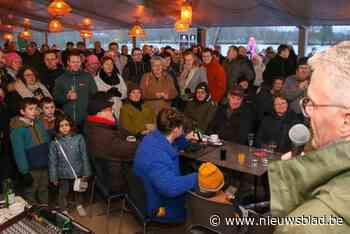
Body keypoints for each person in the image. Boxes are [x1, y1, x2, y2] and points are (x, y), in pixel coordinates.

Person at [269, 41, 350, 234]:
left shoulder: (304, 226)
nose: (308, 112)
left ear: (346, 122)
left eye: (312, 103)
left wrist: (295, 195)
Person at [133, 108, 198, 223]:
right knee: (198, 207)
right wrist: (198, 177)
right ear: (176, 130)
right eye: (182, 128)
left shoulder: (152, 137)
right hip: (159, 207)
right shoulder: (156, 158)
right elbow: (171, 188)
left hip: (148, 192)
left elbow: (172, 141)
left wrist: (184, 141)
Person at [85, 92, 138, 192]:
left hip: (114, 172)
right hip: (116, 181)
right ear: (99, 113)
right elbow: (126, 149)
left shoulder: (98, 125)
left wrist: (131, 137)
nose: (112, 111)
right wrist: (141, 143)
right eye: (109, 110)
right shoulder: (101, 133)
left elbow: (123, 132)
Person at [48, 115, 91, 216]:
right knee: (63, 192)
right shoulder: (54, 143)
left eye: (66, 125)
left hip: (78, 170)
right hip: (63, 173)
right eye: (61, 125)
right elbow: (52, 161)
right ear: (57, 128)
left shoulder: (79, 138)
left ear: (71, 125)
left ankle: (79, 205)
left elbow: (84, 155)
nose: (64, 127)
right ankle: (63, 209)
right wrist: (53, 177)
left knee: (78, 190)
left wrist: (86, 171)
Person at [10, 97, 50, 205]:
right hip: (31, 168)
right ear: (22, 111)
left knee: (44, 188)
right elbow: (19, 153)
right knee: (31, 191)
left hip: (44, 164)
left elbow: (47, 142)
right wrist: (24, 171)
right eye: (30, 109)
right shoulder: (17, 130)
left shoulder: (39, 123)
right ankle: (33, 215)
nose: (34, 111)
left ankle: (45, 211)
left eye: (36, 108)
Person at [54, 50, 97, 129]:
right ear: (68, 62)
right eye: (73, 62)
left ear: (81, 62)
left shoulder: (88, 77)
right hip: (68, 120)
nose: (76, 64)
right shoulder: (60, 79)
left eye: (78, 62)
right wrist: (67, 97)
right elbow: (56, 99)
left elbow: (95, 96)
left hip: (86, 119)